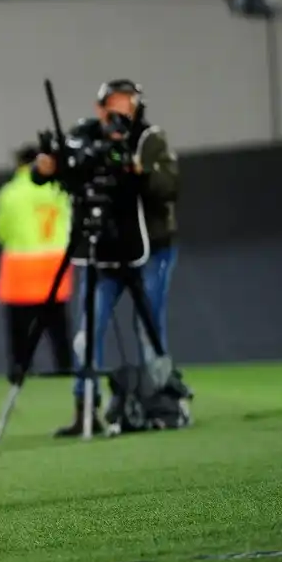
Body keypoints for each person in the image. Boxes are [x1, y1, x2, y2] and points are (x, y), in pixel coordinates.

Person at [33, 80, 179, 436]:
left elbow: (168, 187)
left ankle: (162, 403)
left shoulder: (149, 139)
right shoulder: (83, 136)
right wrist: (46, 168)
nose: (119, 109)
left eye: (126, 102)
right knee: (88, 330)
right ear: (99, 108)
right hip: (100, 247)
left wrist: (136, 169)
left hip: (149, 247)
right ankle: (85, 409)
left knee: (149, 328)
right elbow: (59, 171)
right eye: (113, 102)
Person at [0, 144, 73, 383]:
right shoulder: (58, 189)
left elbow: (0, 229)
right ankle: (65, 367)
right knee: (57, 324)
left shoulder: (11, 192)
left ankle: (20, 370)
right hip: (55, 263)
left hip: (22, 265)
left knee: (19, 325)